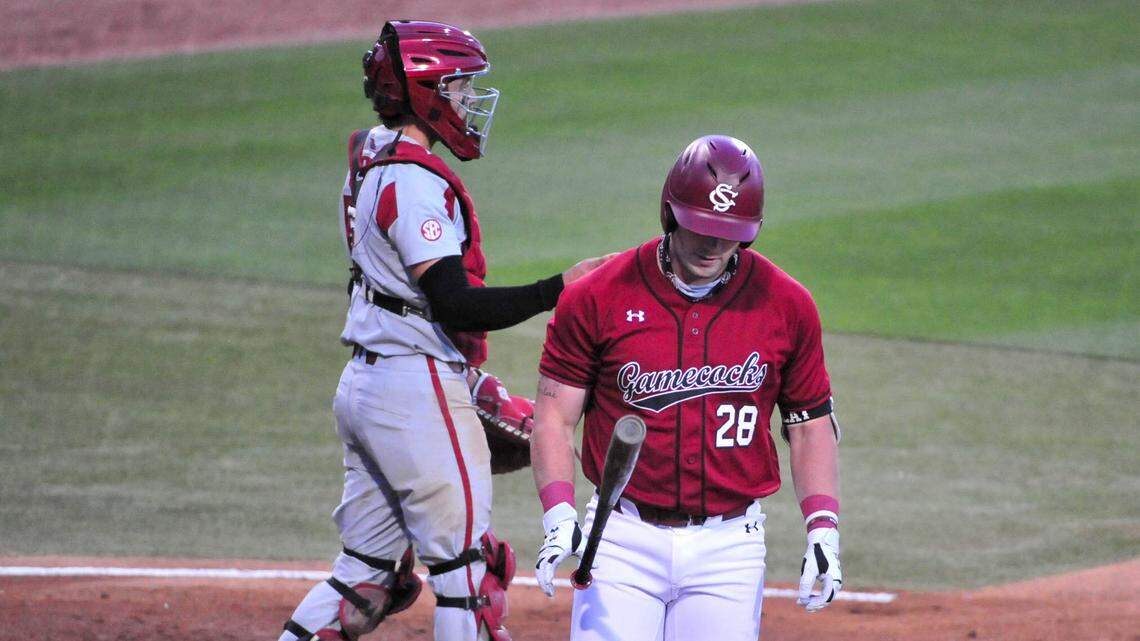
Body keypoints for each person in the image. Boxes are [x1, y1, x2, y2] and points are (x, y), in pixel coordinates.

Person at [278, 20, 609, 641]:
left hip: (365, 387)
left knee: (365, 577)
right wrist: (561, 288)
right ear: (427, 92)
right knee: (469, 576)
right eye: (458, 88)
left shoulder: (371, 156)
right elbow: (455, 304)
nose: (467, 102)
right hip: (412, 391)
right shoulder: (413, 182)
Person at [530, 134, 844, 640]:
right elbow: (553, 417)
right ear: (671, 212)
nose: (714, 243)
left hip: (731, 548)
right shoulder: (597, 296)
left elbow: (810, 427)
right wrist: (559, 511)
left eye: (731, 231)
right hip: (620, 536)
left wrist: (823, 527)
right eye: (702, 226)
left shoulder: (787, 304)